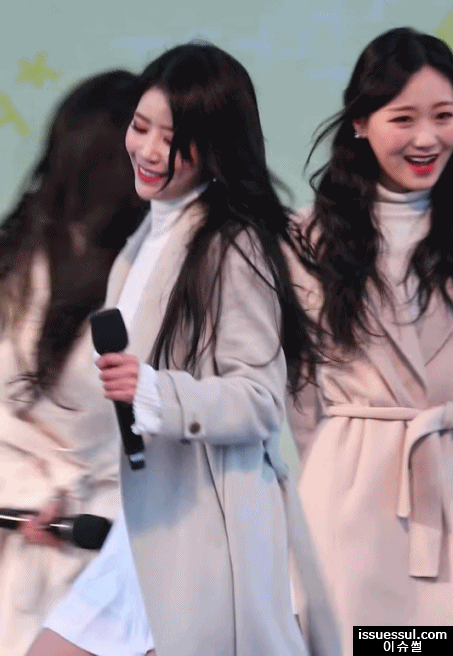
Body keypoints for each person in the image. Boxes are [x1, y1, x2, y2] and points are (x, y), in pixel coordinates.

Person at [27, 42, 340, 656]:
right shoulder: (146, 236)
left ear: (214, 147)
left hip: (204, 535)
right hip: (141, 531)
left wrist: (156, 392)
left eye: (172, 140)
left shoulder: (233, 245)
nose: (147, 150)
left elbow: (258, 401)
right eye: (140, 126)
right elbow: (130, 421)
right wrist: (79, 490)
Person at [289, 26, 453, 656]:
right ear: (360, 122)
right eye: (403, 118)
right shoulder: (306, 240)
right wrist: (333, 467)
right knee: (364, 643)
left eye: (444, 116)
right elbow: (299, 396)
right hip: (351, 498)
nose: (427, 138)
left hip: (444, 484)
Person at [0, 70, 148, 655]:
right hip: (23, 546)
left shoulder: (160, 274)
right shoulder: (17, 260)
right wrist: (22, 499)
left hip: (112, 550)